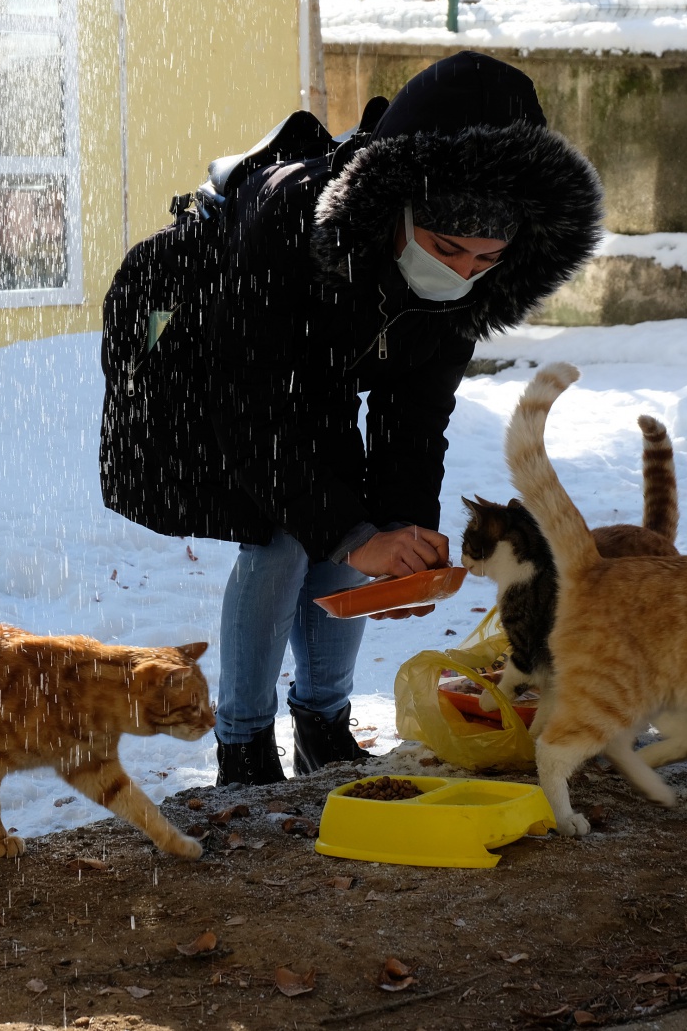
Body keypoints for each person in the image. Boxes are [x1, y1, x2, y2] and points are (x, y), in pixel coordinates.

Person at [200, 50, 604, 785]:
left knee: (354, 530)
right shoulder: (290, 215)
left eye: (486, 259)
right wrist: (353, 534)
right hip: (239, 386)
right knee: (279, 542)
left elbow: (415, 414)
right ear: (398, 208)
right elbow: (252, 406)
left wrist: (404, 533)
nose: (460, 273)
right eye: (446, 248)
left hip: (329, 383)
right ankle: (243, 742)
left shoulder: (468, 291)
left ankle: (323, 722)